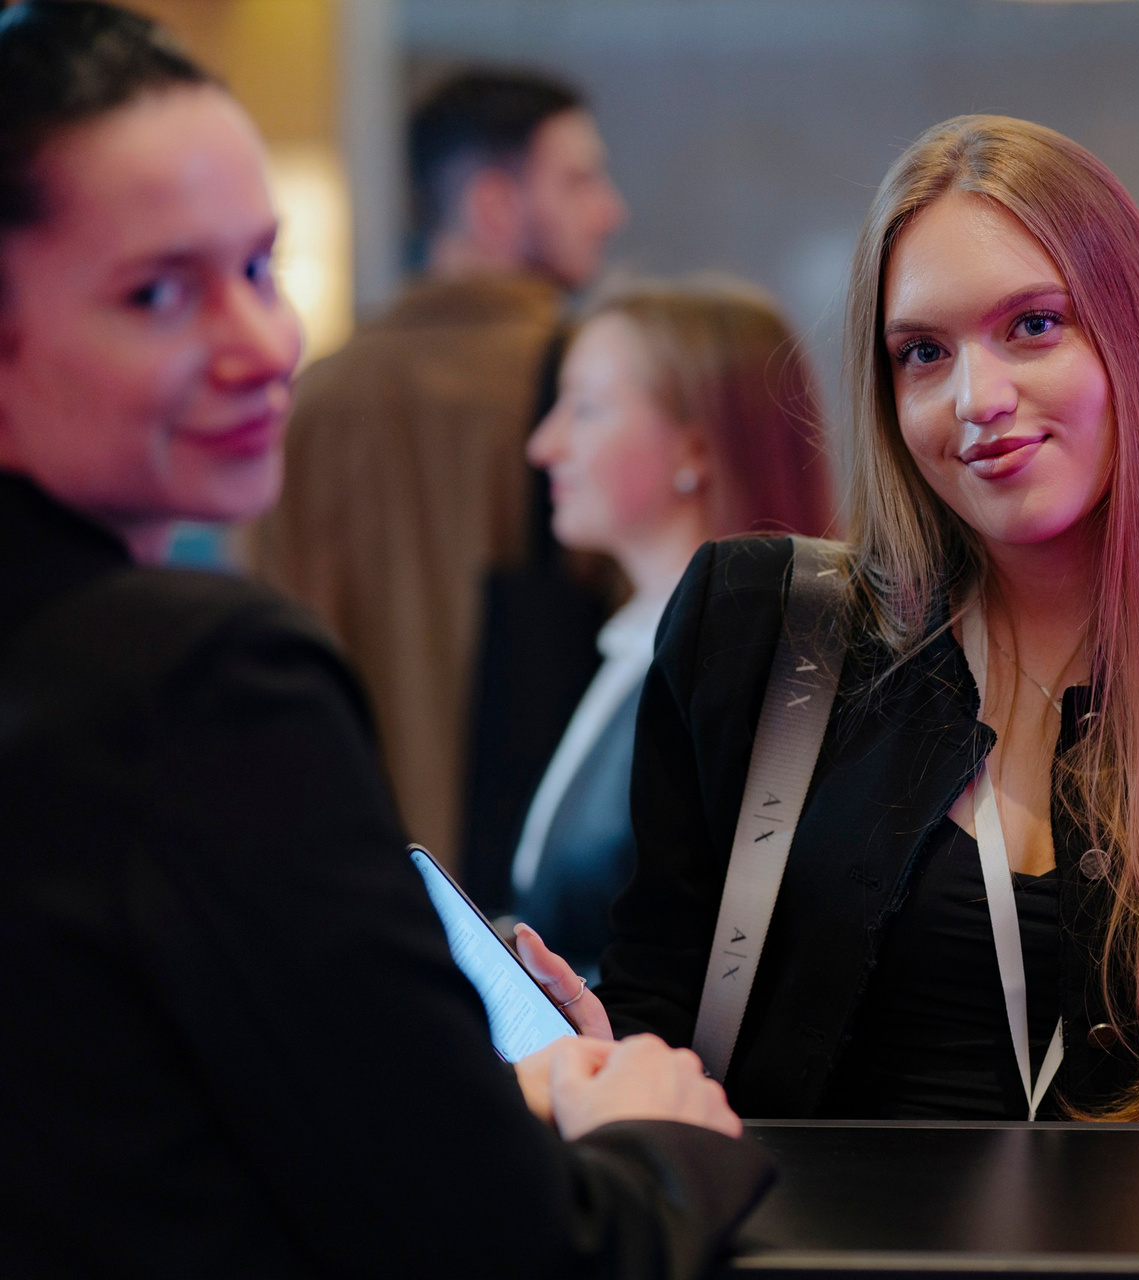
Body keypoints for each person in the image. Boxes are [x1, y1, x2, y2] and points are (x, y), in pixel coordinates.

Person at [0, 6, 764, 1273]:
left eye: (261, 269)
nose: (265, 344)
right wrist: (658, 1136)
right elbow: (523, 1248)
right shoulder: (195, 680)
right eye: (158, 293)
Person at [522, 115, 1139, 1124]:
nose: (976, 397)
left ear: (1134, 337)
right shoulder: (763, 629)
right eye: (922, 352)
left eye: (1033, 325)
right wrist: (601, 1058)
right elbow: (664, 1012)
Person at [249, 67, 629, 870]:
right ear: (492, 204)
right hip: (527, 901)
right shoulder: (591, 389)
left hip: (340, 871)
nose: (610, 211)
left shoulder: (309, 400)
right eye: (579, 181)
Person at [507, 281, 834, 983]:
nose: (544, 445)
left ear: (695, 448)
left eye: (585, 407)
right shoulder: (633, 644)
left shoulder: (753, 677)